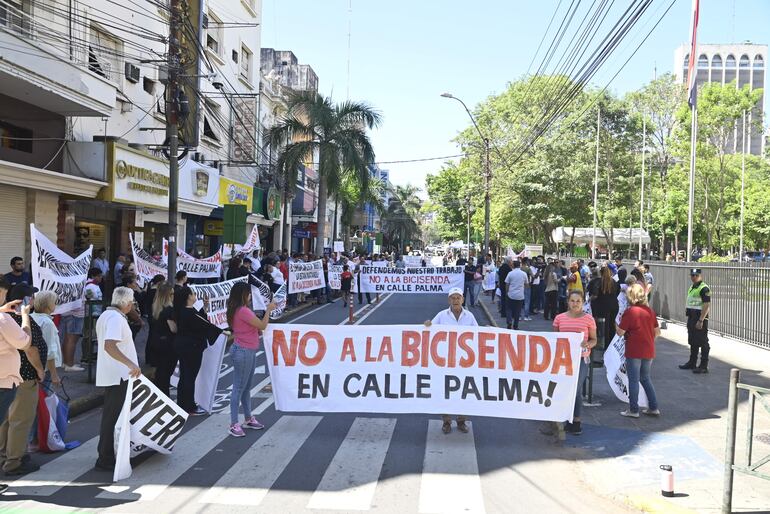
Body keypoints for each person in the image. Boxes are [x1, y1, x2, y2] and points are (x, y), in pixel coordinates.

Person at [94, 287, 141, 472]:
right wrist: (131, 364)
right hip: (118, 375)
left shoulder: (108, 315)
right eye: (132, 303)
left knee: (112, 417)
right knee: (112, 417)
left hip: (115, 374)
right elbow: (109, 346)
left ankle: (108, 454)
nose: (132, 305)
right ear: (126, 303)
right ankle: (105, 457)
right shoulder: (114, 318)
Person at [0, 281, 40, 476]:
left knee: (7, 421)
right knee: (18, 421)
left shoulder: (5, 316)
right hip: (13, 378)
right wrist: (24, 316)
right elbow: (27, 345)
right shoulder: (8, 319)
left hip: (11, 378)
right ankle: (13, 461)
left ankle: (5, 457)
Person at [424, 287, 477, 434]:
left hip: (465, 362)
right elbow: (429, 328)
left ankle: (461, 421)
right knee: (445, 391)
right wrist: (427, 324)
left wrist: (489, 331)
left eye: (458, 298)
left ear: (462, 299)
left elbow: (479, 335)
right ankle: (446, 421)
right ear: (449, 300)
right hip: (445, 361)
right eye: (452, 298)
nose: (455, 300)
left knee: (463, 391)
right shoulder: (441, 315)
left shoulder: (470, 317)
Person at [225, 282, 275, 437]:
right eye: (248, 293)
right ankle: (234, 423)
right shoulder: (244, 311)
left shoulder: (236, 310)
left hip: (246, 349)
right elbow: (262, 325)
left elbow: (252, 327)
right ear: (243, 295)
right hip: (244, 351)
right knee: (239, 388)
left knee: (245, 387)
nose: (250, 296)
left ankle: (248, 418)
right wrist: (268, 310)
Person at [553, 290, 597, 435]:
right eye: (572, 300)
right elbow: (554, 338)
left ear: (583, 302)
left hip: (581, 359)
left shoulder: (589, 319)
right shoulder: (559, 318)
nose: (575, 303)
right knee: (564, 388)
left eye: (578, 301)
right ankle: (566, 418)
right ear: (568, 301)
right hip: (563, 360)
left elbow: (594, 339)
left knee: (576, 389)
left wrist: (588, 344)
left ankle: (576, 420)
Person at [173, 286, 222, 415]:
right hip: (192, 348)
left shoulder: (184, 311)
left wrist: (205, 307)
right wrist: (223, 332)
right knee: (190, 377)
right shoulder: (189, 313)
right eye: (193, 293)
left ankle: (182, 404)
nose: (195, 295)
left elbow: (200, 319)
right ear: (188, 297)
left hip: (184, 346)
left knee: (185, 376)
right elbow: (206, 325)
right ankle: (190, 407)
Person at [616, 283, 661, 417]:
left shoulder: (630, 312)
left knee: (633, 380)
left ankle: (633, 409)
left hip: (634, 349)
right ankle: (654, 407)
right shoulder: (650, 311)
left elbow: (620, 332)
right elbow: (657, 332)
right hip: (649, 349)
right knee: (646, 378)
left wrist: (615, 323)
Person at [148, 283, 177, 396]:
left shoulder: (155, 308)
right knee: (165, 374)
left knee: (160, 373)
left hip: (156, 343)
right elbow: (173, 329)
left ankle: (158, 396)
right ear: (168, 295)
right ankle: (164, 398)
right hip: (168, 345)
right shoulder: (169, 310)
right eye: (173, 294)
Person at [679, 268, 711, 374]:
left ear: (700, 276)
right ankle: (692, 362)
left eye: (696, 275)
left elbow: (706, 305)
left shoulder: (704, 288)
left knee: (703, 342)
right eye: (692, 275)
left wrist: (701, 320)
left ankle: (703, 365)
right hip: (692, 317)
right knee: (693, 341)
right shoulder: (693, 287)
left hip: (699, 317)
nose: (694, 277)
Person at [29, 291, 62, 389]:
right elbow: (50, 352)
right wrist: (54, 375)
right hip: (45, 368)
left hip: (32, 364)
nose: (56, 304)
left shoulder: (30, 317)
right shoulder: (47, 323)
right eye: (55, 302)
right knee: (43, 398)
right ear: (49, 305)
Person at [588, 265, 619, 348]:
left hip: (600, 306)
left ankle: (600, 344)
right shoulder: (614, 282)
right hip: (613, 306)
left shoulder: (596, 282)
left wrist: (589, 300)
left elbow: (593, 294)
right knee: (611, 326)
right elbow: (617, 293)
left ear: (600, 273)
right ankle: (610, 346)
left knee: (601, 326)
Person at [504, 260, 527, 330]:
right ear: (519, 265)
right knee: (518, 311)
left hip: (511, 294)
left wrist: (507, 292)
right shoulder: (524, 274)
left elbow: (507, 284)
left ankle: (509, 321)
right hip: (520, 295)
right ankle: (515, 325)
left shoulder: (510, 273)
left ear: (513, 265)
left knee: (509, 309)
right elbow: (526, 284)